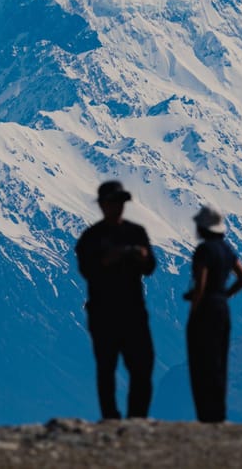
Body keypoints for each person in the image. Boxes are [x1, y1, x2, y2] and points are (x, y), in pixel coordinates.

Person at [75, 180, 157, 420]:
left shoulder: (136, 232)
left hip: (133, 311)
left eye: (120, 202)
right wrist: (107, 260)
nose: (117, 207)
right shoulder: (91, 238)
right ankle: (111, 416)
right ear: (102, 205)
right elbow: (86, 270)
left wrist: (142, 257)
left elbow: (151, 267)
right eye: (113, 202)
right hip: (104, 312)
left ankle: (137, 417)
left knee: (142, 366)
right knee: (106, 368)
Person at [184, 205, 242, 423]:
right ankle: (219, 414)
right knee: (219, 360)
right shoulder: (227, 249)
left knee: (200, 361)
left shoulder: (204, 251)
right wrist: (225, 294)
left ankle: (205, 414)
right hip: (222, 308)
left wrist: (195, 307)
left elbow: (201, 284)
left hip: (205, 309)